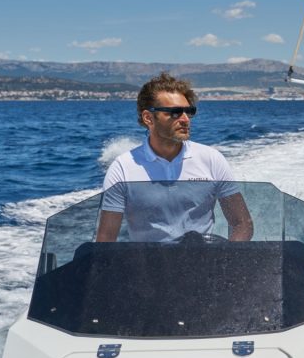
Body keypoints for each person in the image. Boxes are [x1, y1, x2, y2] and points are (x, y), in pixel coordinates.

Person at [96, 72, 254, 242]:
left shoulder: (212, 159)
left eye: (189, 111)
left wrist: (225, 260)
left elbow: (242, 223)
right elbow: (106, 239)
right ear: (148, 118)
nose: (185, 119)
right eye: (175, 113)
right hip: (147, 266)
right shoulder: (123, 168)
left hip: (203, 263)